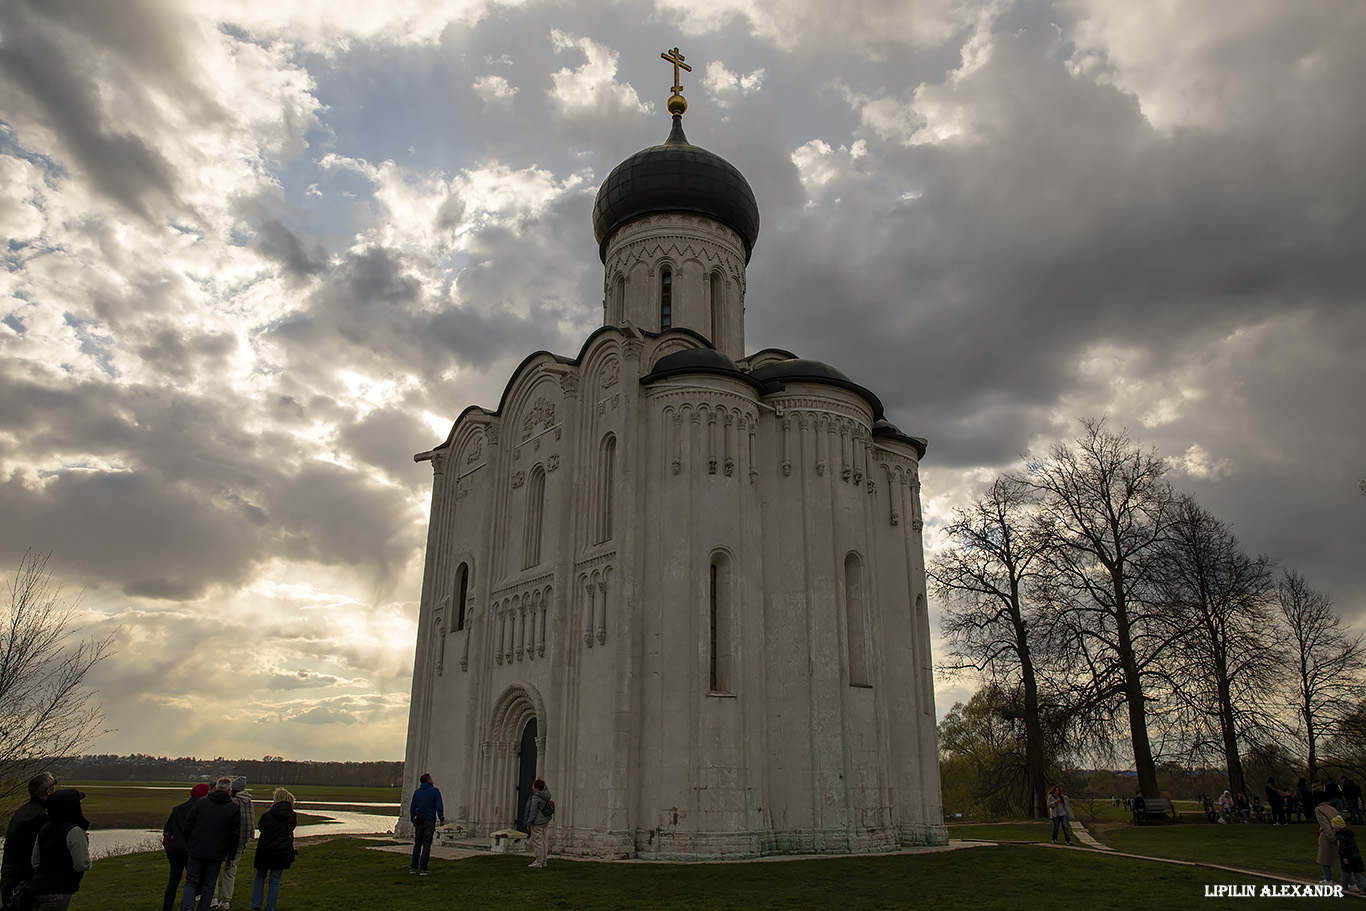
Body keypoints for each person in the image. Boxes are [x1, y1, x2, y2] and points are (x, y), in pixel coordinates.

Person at [26, 788, 92, 911]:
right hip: (59, 891)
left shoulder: (44, 830)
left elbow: (35, 862)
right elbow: (82, 864)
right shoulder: (74, 831)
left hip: (35, 889)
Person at [182, 778, 241, 911]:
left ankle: (187, 908)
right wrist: (231, 856)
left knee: (191, 882)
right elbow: (234, 835)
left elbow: (188, 825)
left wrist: (189, 844)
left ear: (215, 788)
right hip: (217, 852)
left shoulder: (201, 803)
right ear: (229, 790)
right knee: (209, 884)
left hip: (196, 849)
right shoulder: (233, 808)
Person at [1, 771, 57, 910]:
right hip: (22, 882)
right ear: (48, 791)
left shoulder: (24, 811)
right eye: (54, 785)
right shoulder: (39, 818)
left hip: (11, 879)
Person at [163, 783, 211, 911]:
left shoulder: (178, 809)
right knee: (193, 881)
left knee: (173, 881)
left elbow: (167, 830)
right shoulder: (202, 810)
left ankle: (167, 907)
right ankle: (187, 905)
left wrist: (168, 845)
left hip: (175, 849)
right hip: (192, 851)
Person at [251, 788, 298, 911]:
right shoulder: (292, 816)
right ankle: (270, 908)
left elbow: (262, 828)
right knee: (275, 881)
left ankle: (256, 905)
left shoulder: (267, 815)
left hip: (265, 849)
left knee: (260, 877)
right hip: (282, 851)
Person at [212, 777, 253, 909]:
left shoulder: (232, 801)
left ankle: (213, 898)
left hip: (227, 839)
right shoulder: (249, 802)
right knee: (231, 870)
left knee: (215, 867)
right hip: (241, 841)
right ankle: (226, 901)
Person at [408, 773, 444, 875]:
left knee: (417, 844)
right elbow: (439, 805)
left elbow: (412, 807)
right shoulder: (434, 791)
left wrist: (412, 818)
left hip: (419, 820)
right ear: (428, 780)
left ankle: (413, 868)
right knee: (427, 844)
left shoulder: (417, 792)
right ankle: (423, 868)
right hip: (429, 820)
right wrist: (441, 818)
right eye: (431, 778)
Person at [524, 777, 554, 867]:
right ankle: (544, 861)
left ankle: (539, 861)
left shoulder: (536, 797)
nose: (532, 787)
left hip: (537, 822)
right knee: (544, 840)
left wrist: (529, 823)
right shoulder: (546, 795)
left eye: (533, 786)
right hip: (545, 821)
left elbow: (532, 812)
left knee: (537, 841)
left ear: (537, 788)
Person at [1334, 816, 1366, 893]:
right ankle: (1364, 888)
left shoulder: (1339, 835)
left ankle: (1344, 887)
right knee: (1358, 873)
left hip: (1348, 856)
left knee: (1346, 871)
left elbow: (1342, 847)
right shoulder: (1349, 833)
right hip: (1355, 855)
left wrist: (1344, 856)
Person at [1317, 784, 1340, 885]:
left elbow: (1325, 825)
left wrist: (1331, 837)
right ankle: (1350, 882)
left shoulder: (1318, 810)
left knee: (1324, 858)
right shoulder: (1332, 808)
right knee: (1341, 860)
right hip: (1338, 833)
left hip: (1327, 835)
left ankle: (1328, 879)